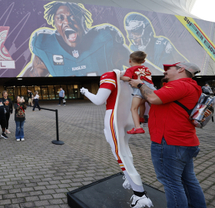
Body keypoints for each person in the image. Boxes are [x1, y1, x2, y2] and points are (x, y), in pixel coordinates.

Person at [129, 62, 206, 208]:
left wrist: (140, 84)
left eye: (168, 69)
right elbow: (160, 103)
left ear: (181, 70)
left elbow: (152, 98)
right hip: (183, 142)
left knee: (171, 183)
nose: (164, 72)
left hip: (169, 143)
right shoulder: (190, 86)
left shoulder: (179, 85)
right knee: (188, 180)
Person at [81, 71, 153, 208]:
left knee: (120, 153)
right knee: (124, 149)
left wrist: (85, 92)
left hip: (115, 117)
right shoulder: (133, 76)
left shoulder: (110, 74)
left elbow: (98, 100)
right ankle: (129, 180)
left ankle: (140, 195)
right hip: (130, 116)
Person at [20, 1, 130, 77]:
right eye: (60, 18)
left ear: (83, 21)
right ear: (55, 24)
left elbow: (139, 66)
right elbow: (33, 73)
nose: (67, 22)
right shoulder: (45, 45)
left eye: (72, 17)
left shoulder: (105, 39)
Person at [124, 12, 188, 70]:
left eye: (137, 33)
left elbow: (181, 64)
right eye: (131, 34)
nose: (134, 38)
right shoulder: (133, 48)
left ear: (147, 32)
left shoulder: (162, 44)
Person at [120, 51, 156, 134]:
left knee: (134, 108)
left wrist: (119, 77)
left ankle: (137, 127)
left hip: (139, 89)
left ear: (129, 61)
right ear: (143, 61)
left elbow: (127, 78)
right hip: (150, 89)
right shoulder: (146, 68)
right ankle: (142, 117)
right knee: (153, 107)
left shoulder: (130, 69)